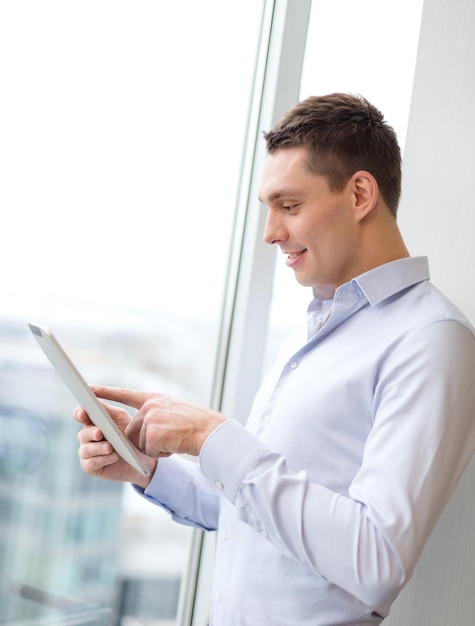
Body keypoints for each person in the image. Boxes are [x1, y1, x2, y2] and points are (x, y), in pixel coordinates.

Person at [74, 93, 475, 625]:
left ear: (360, 194)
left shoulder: (431, 338)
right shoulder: (313, 331)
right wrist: (149, 470)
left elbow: (376, 558)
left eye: (289, 206)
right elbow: (259, 517)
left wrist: (211, 437)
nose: (270, 233)